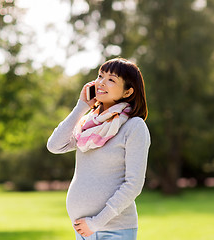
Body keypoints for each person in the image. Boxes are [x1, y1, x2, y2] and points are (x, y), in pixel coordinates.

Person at [47, 58, 151, 240]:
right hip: (84, 231)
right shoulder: (88, 124)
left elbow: (133, 184)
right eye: (100, 76)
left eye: (111, 79)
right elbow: (54, 145)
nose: (101, 82)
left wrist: (95, 223)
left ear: (128, 91)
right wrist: (81, 107)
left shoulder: (134, 126)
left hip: (114, 230)